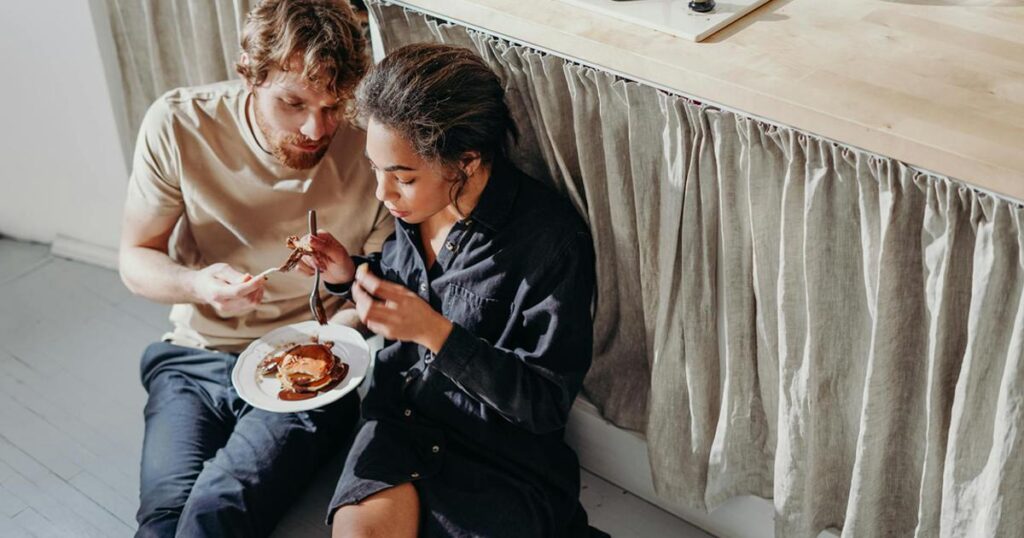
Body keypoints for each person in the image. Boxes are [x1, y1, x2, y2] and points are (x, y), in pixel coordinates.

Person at [299, 43, 605, 537]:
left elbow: (545, 404)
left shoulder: (550, 241)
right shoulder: (412, 209)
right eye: (376, 170)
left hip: (496, 453)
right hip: (399, 421)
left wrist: (437, 335)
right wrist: (346, 273)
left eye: (402, 177)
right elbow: (403, 283)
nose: (383, 193)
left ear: (465, 161)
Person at [117, 1, 393, 536]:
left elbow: (379, 285)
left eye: (335, 106)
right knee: (163, 519)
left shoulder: (372, 147)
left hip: (319, 365)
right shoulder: (179, 124)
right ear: (250, 71)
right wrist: (198, 285)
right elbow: (135, 258)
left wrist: (327, 343)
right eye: (293, 102)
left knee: (216, 511)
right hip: (195, 357)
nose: (318, 128)